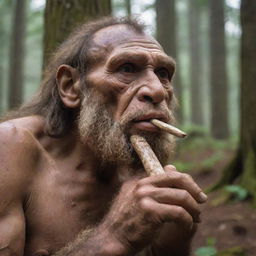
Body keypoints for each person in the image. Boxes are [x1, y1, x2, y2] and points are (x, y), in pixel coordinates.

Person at [0, 17, 207, 256]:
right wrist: (113, 237)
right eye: (127, 69)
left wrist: (171, 247)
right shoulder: (12, 147)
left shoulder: (141, 168)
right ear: (70, 86)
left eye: (163, 73)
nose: (158, 90)